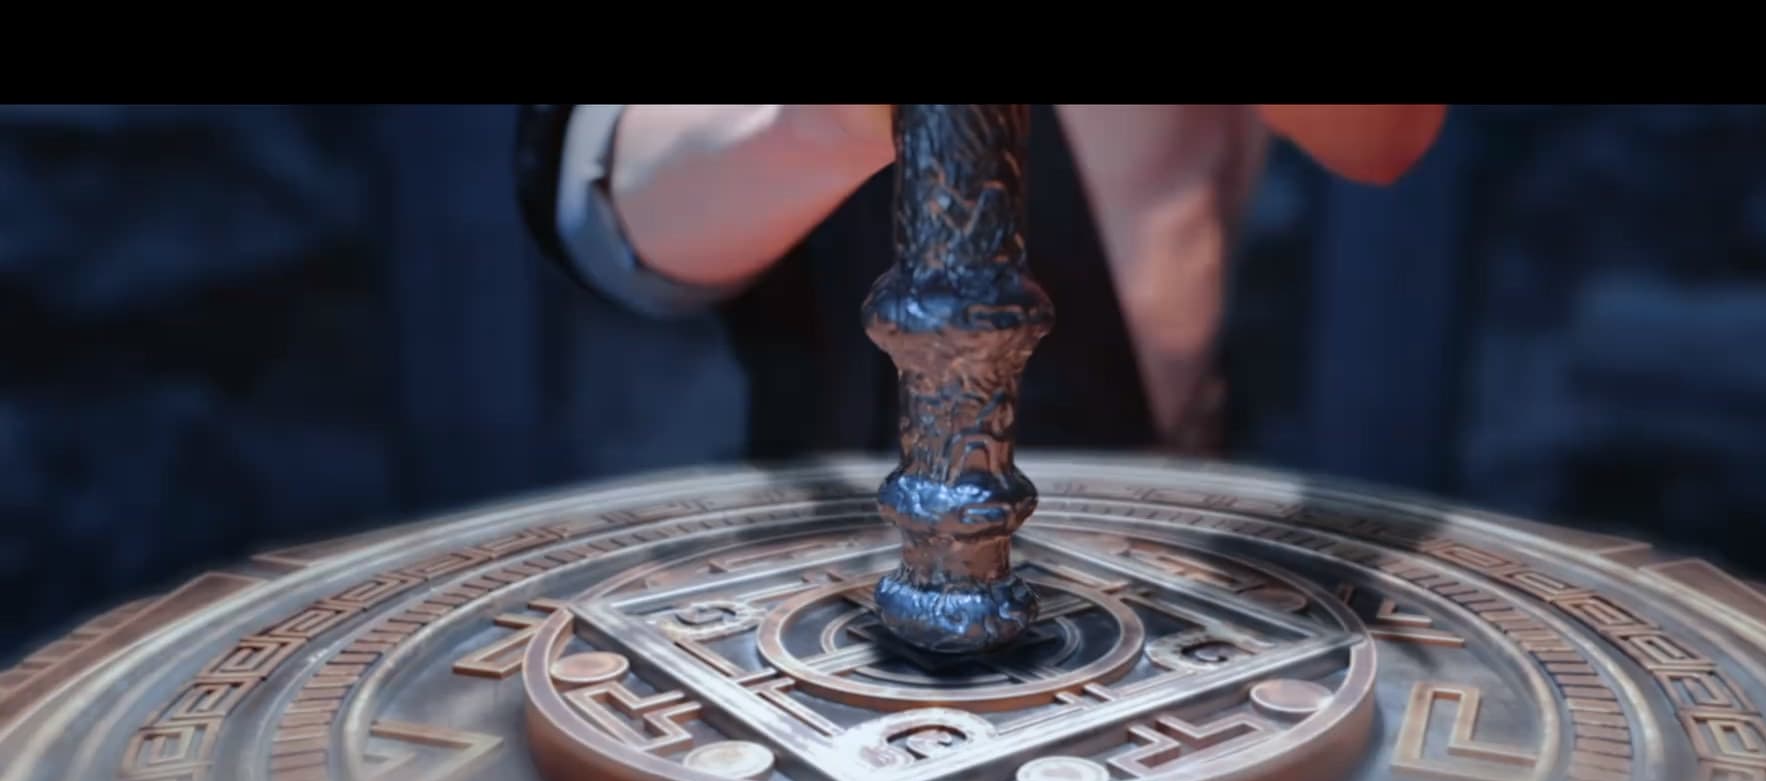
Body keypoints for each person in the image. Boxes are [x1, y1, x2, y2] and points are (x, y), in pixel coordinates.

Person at [515, 105, 1447, 457]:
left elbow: (1385, 135)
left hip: (1170, 518)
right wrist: (828, 128)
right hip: (828, 548)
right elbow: (607, 202)